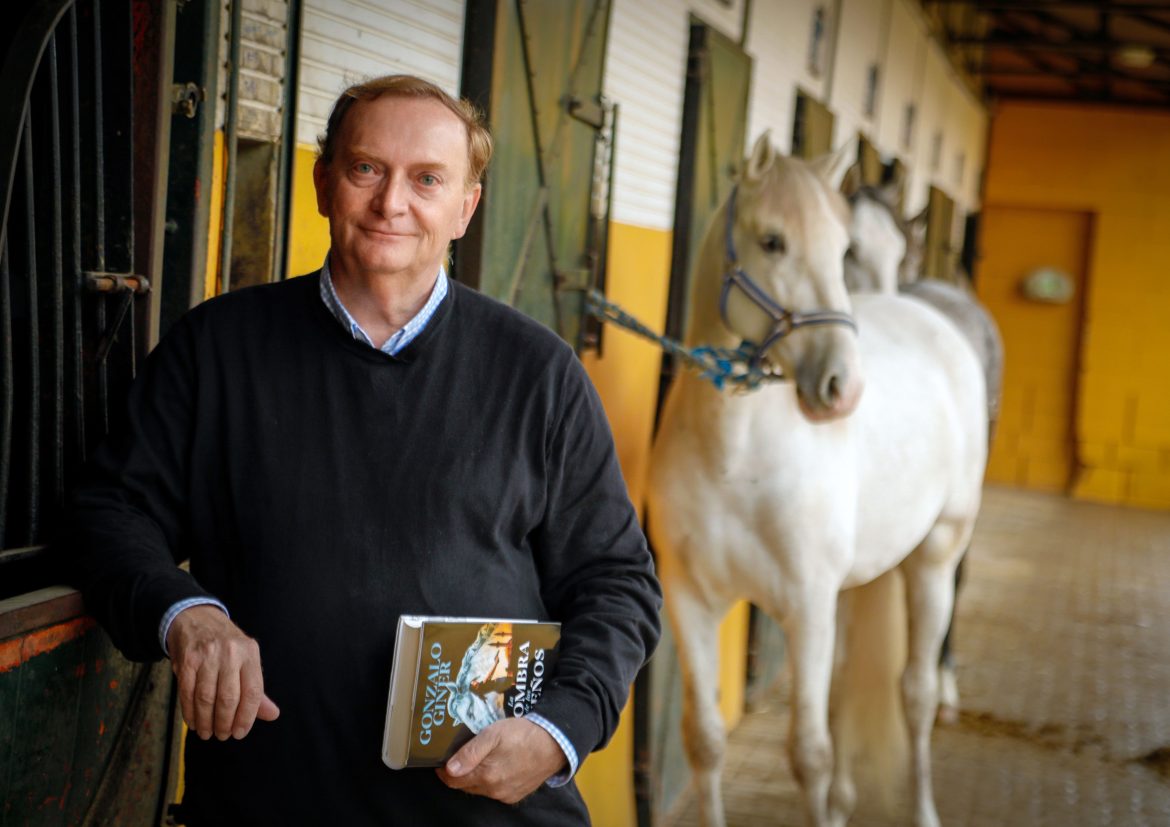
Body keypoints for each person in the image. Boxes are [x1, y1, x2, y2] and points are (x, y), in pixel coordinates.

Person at [63, 74, 662, 825]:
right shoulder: (216, 349)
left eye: (427, 179)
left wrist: (558, 730)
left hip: (485, 812)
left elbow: (618, 584)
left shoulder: (540, 373)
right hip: (271, 801)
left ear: (465, 207)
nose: (391, 203)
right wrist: (186, 612)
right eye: (366, 168)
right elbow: (109, 509)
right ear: (323, 183)